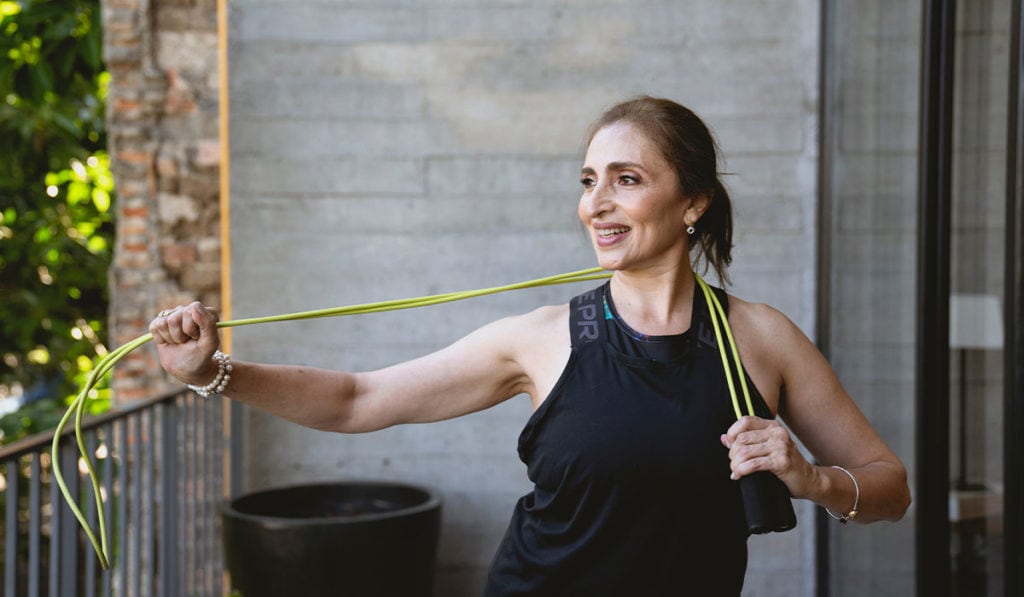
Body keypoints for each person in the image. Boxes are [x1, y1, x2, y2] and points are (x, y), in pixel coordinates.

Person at [150, 96, 910, 595]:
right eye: (588, 180)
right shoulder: (542, 340)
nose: (596, 203)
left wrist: (812, 481)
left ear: (693, 202)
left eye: (627, 178)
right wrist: (214, 371)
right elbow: (359, 398)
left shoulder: (761, 338)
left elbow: (890, 485)